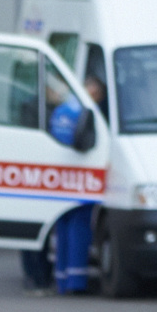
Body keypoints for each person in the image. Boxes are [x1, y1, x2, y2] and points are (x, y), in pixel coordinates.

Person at [21, 70, 102, 295]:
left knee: (64, 228)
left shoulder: (62, 110)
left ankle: (62, 279)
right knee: (78, 230)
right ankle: (75, 282)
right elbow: (84, 142)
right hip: (82, 178)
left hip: (60, 179)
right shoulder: (85, 111)